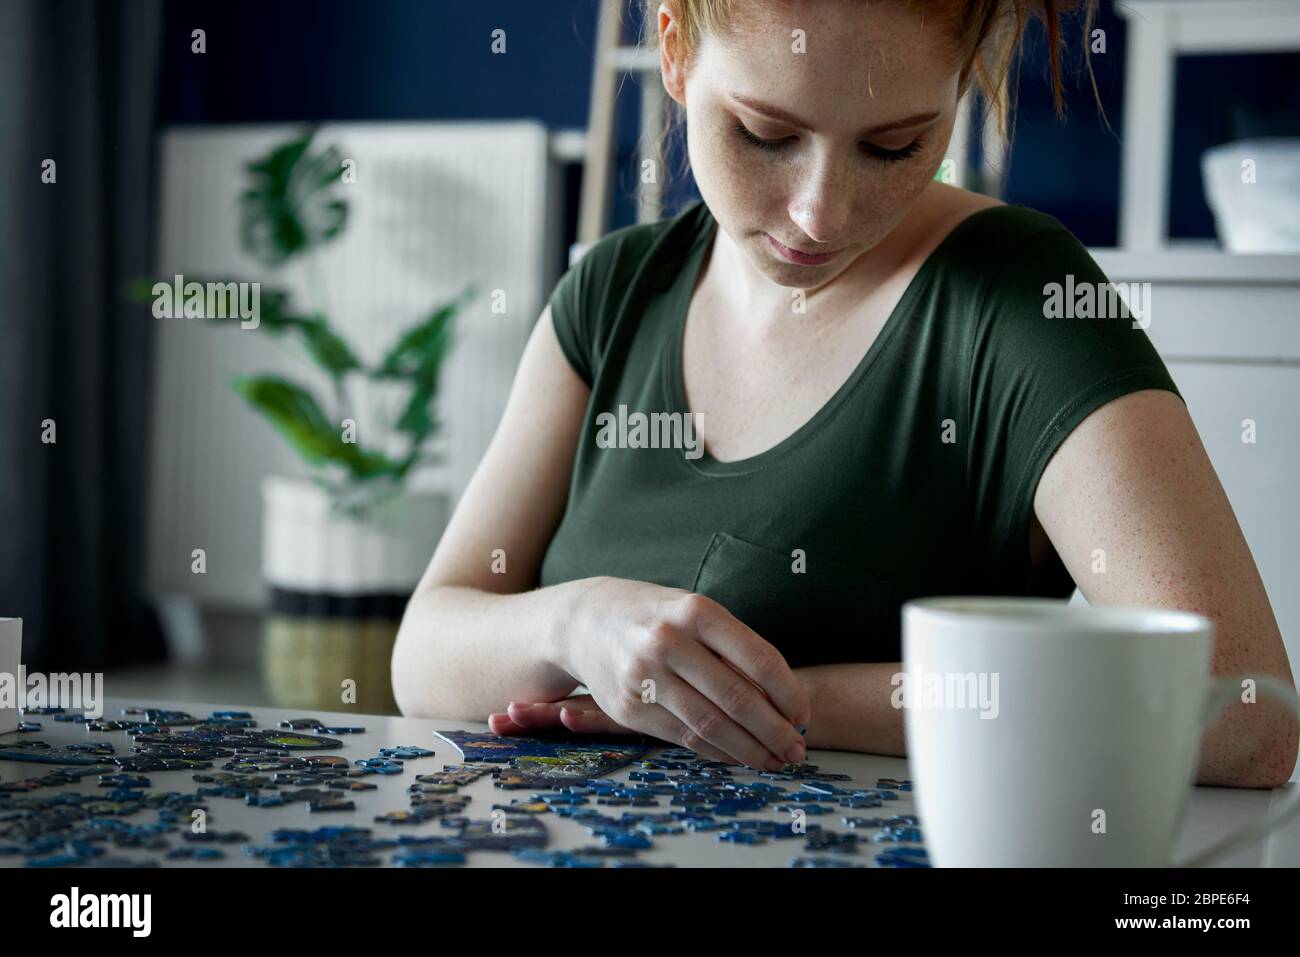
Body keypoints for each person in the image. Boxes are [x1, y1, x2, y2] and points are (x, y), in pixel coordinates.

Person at [392, 0, 1297, 787]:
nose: (822, 213)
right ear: (673, 51)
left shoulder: (1026, 302)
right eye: (766, 134)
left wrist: (765, 703)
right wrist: (577, 622)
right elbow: (424, 651)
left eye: (896, 145)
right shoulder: (613, 291)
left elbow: (1249, 712)